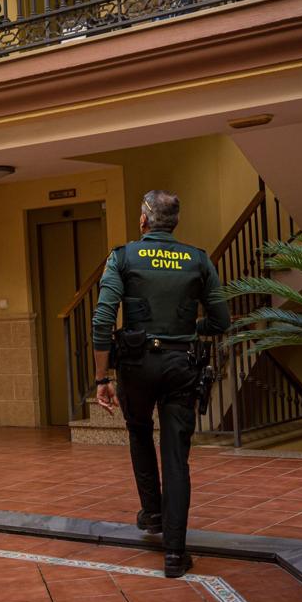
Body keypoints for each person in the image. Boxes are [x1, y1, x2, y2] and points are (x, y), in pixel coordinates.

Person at [92, 190, 230, 578]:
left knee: (138, 431)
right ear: (174, 223)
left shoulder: (122, 256)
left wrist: (102, 377)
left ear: (143, 220)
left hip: (136, 365)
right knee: (176, 456)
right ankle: (174, 554)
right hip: (181, 363)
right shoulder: (199, 259)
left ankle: (152, 513)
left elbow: (102, 321)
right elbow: (221, 322)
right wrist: (186, 330)